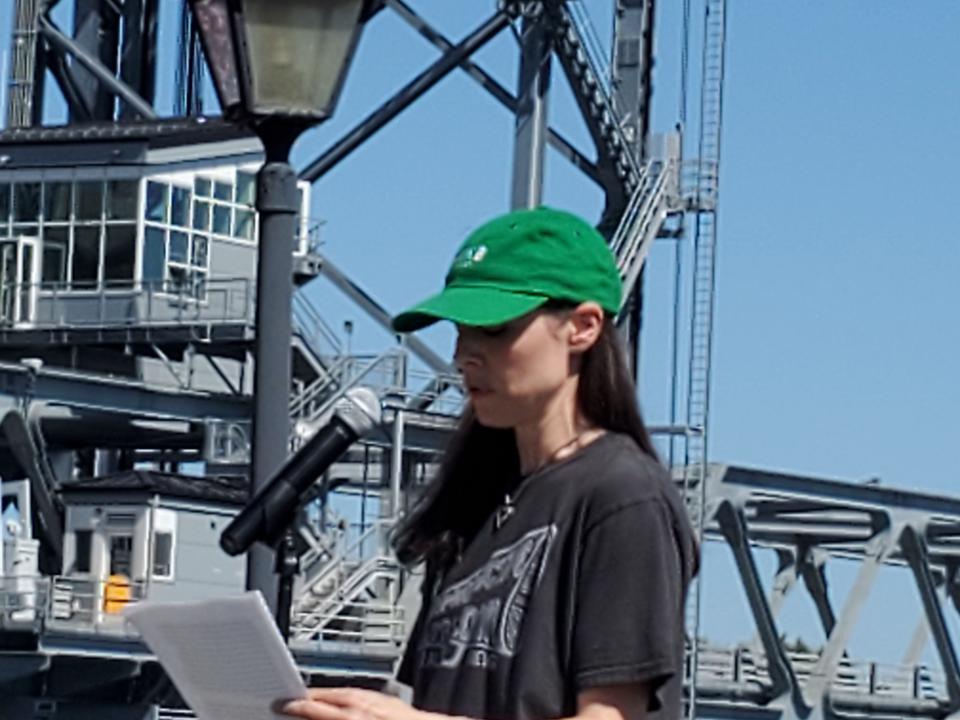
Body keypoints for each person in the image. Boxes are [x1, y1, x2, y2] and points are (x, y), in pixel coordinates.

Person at [282, 207, 699, 720]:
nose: (464, 355)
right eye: (460, 330)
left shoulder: (623, 496)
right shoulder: (471, 502)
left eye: (495, 328)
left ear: (583, 327)